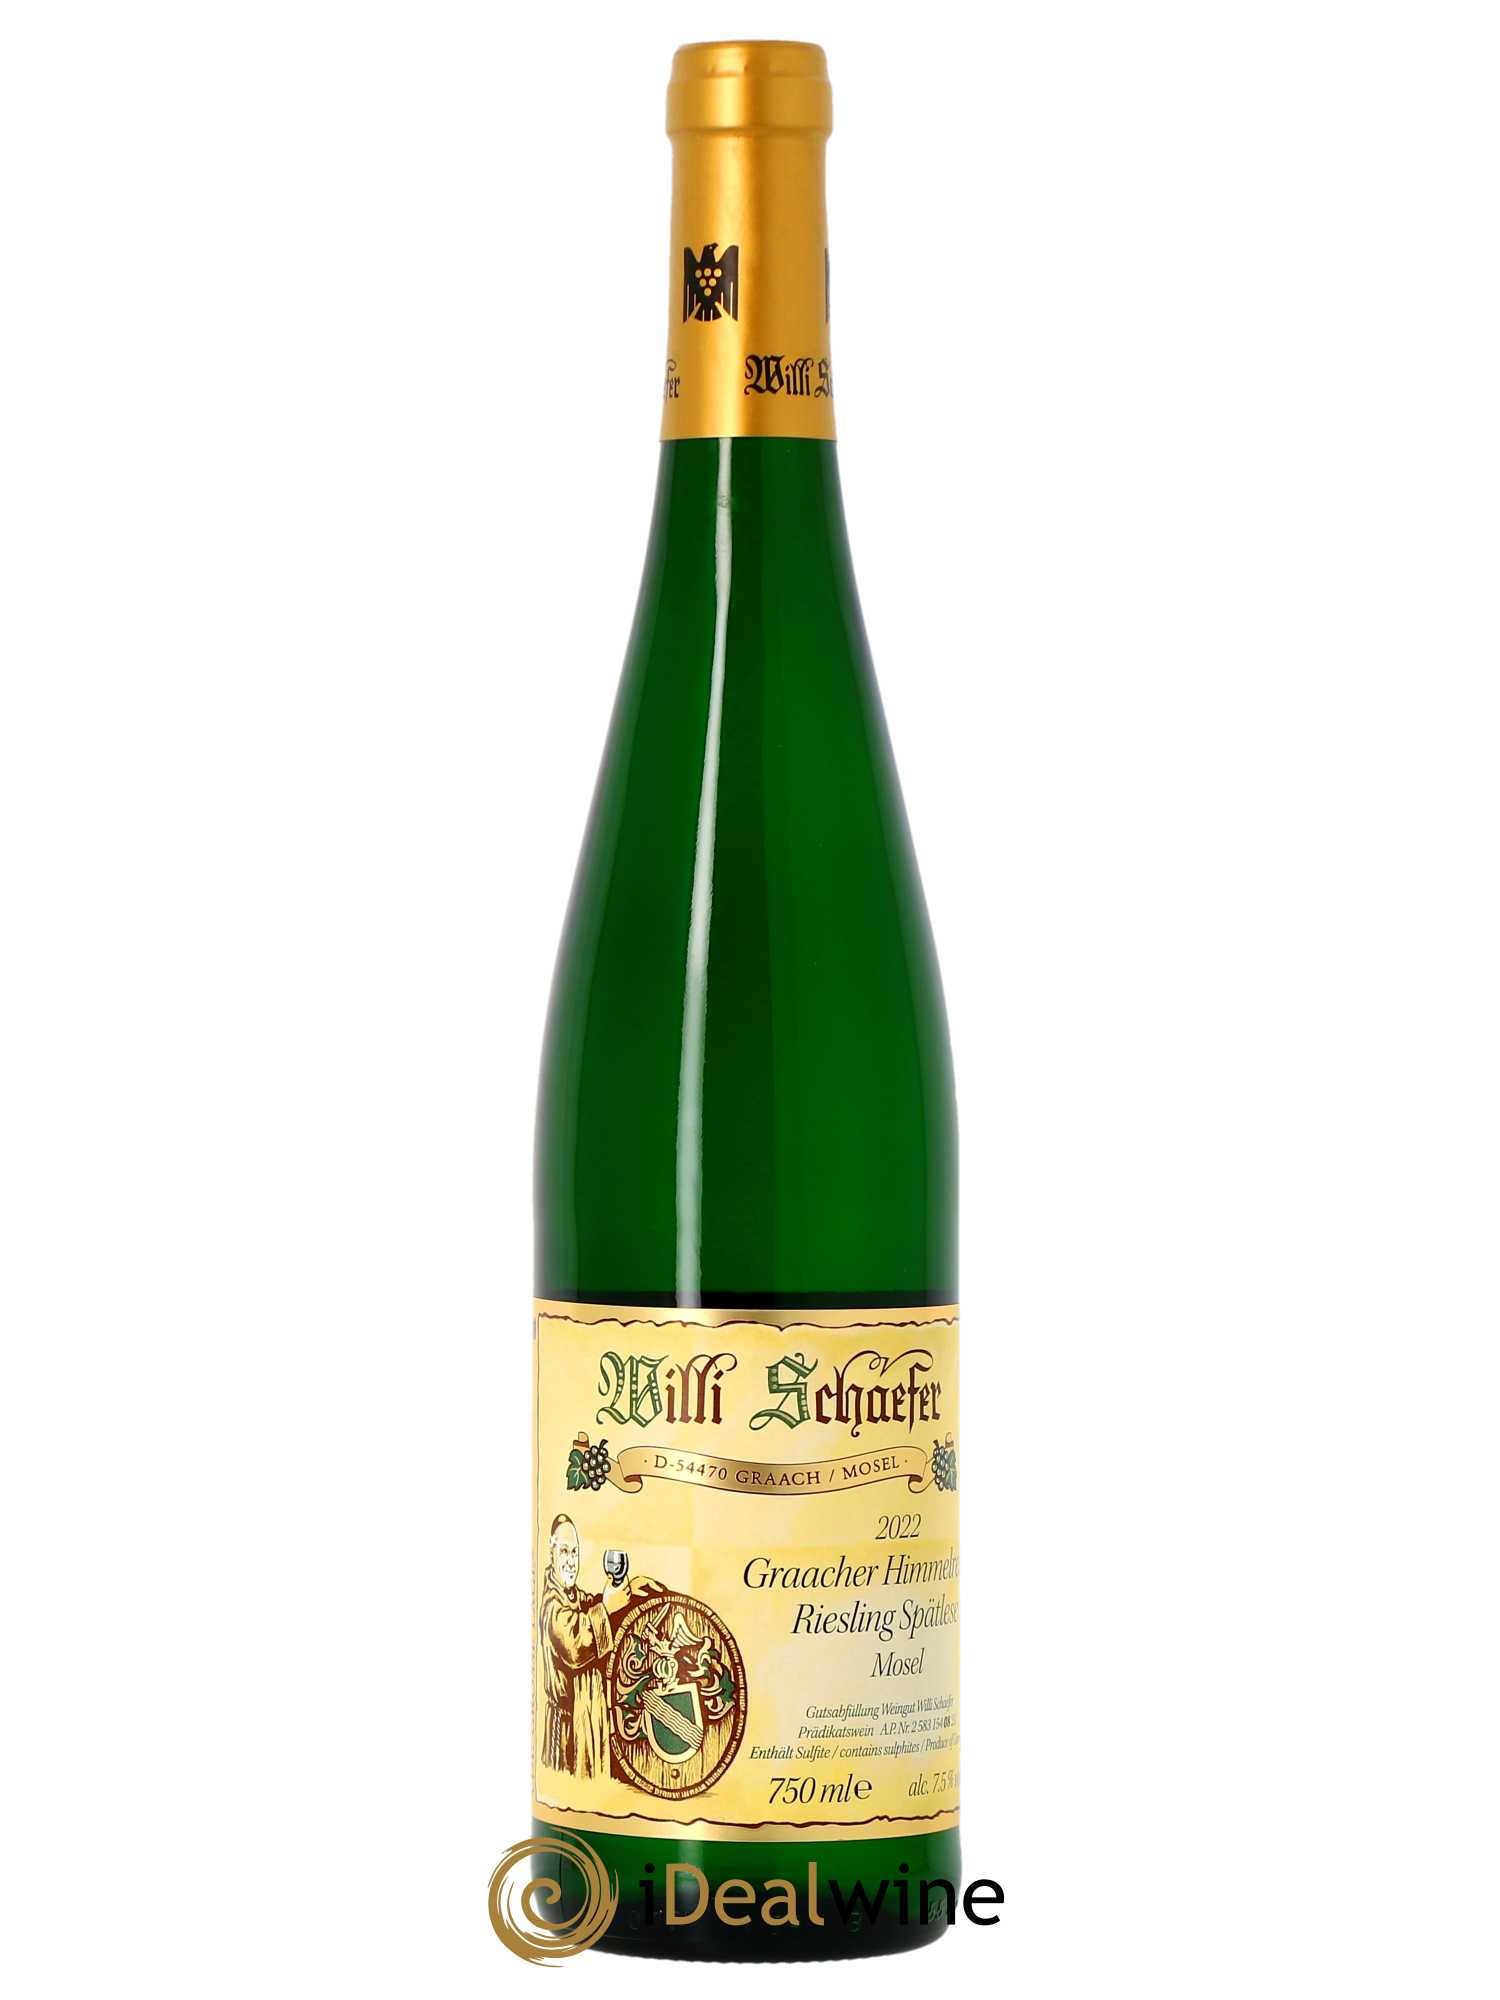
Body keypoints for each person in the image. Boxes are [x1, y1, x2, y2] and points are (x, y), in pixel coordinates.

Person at [536, 1516, 662, 1778]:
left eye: (574, 1552)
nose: (570, 1561)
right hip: (568, 1733)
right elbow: (575, 1645)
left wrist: (628, 1590)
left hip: (585, 1720)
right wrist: (606, 1607)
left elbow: (590, 1605)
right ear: (550, 1552)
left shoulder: (570, 1595)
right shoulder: (551, 1604)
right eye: (564, 1552)